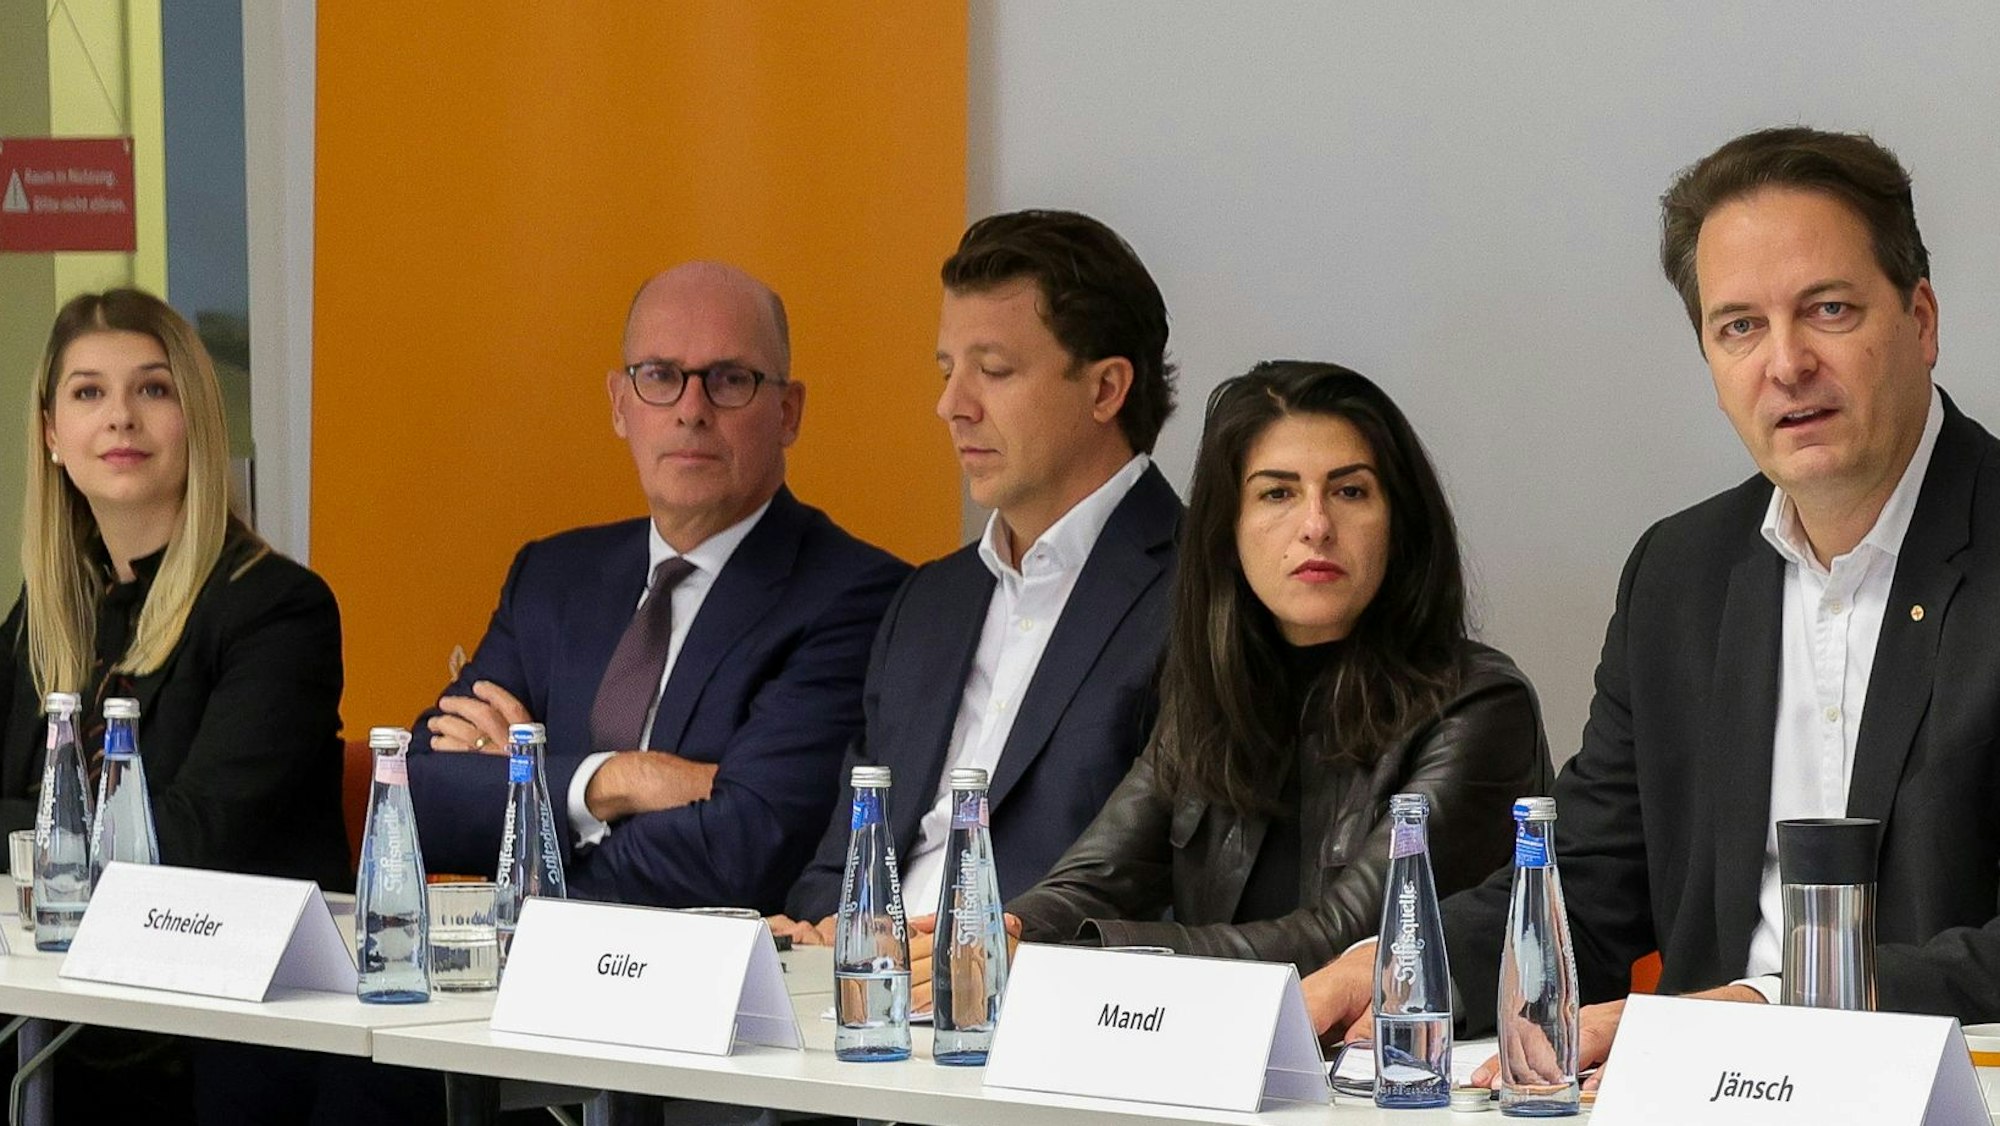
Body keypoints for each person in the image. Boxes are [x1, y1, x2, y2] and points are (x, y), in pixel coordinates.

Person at [1306, 125, 2000, 1082]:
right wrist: (1387, 964)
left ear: (1921, 319)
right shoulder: (1681, 575)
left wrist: (1763, 1008)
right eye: (1739, 326)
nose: (1785, 364)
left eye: (1829, 310)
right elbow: (1590, 887)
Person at [920, 361, 1551, 1002]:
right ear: (1228, 530)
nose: (1315, 526)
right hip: (1216, 1068)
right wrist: (995, 932)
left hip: (1392, 1078)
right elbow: (1094, 880)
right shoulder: (1213, 692)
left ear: (1400, 522)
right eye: (1277, 494)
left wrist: (1075, 959)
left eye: (1350, 492)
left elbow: (1351, 937)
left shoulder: (1477, 706)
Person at [0, 289, 396, 1122]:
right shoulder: (49, 616)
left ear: (197, 421)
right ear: (49, 434)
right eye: (87, 393)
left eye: (152, 389)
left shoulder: (275, 609)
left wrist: (31, 839)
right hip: (71, 1004)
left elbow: (181, 842)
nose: (120, 419)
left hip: (228, 1029)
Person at [407, 261, 908, 912]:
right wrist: (617, 780)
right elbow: (417, 797)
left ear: (788, 413)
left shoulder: (858, 596)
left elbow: (740, 852)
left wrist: (530, 796)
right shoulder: (553, 578)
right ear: (621, 405)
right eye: (661, 377)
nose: (691, 411)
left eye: (730, 380)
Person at [769, 210, 1184, 945]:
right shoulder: (928, 602)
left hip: (1045, 1012)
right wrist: (831, 928)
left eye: (993, 371)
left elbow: (1180, 892)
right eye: (946, 371)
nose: (952, 405)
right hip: (867, 1004)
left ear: (1106, 389)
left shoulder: (1204, 594)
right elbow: (835, 864)